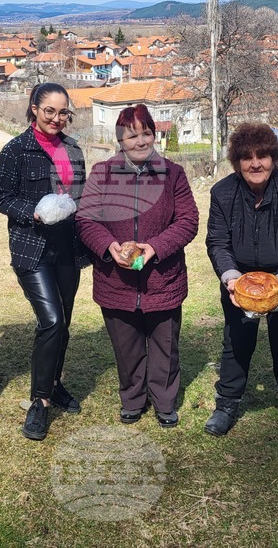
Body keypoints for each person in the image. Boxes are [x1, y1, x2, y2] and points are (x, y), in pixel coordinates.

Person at [76, 104, 198, 427]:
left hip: (163, 278)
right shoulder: (102, 173)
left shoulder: (173, 173)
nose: (141, 141)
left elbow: (188, 221)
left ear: (154, 135)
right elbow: (86, 220)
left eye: (146, 133)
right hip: (116, 279)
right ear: (120, 140)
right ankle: (133, 398)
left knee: (165, 345)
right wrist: (109, 246)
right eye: (132, 136)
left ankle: (164, 401)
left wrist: (155, 247)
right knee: (126, 346)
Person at [204, 123, 278, 440]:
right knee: (237, 343)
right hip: (239, 281)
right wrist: (231, 279)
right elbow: (218, 243)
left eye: (262, 156)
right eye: (247, 157)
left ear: (273, 158)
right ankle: (226, 405)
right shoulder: (222, 193)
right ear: (236, 161)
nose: (255, 164)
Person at [0, 82, 88, 441]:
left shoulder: (73, 149)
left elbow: (82, 197)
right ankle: (40, 400)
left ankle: (54, 383)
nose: (56, 118)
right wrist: (33, 210)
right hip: (32, 248)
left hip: (68, 247)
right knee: (51, 320)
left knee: (64, 322)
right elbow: (1, 198)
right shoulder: (16, 150)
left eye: (63, 112)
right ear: (34, 108)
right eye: (49, 111)